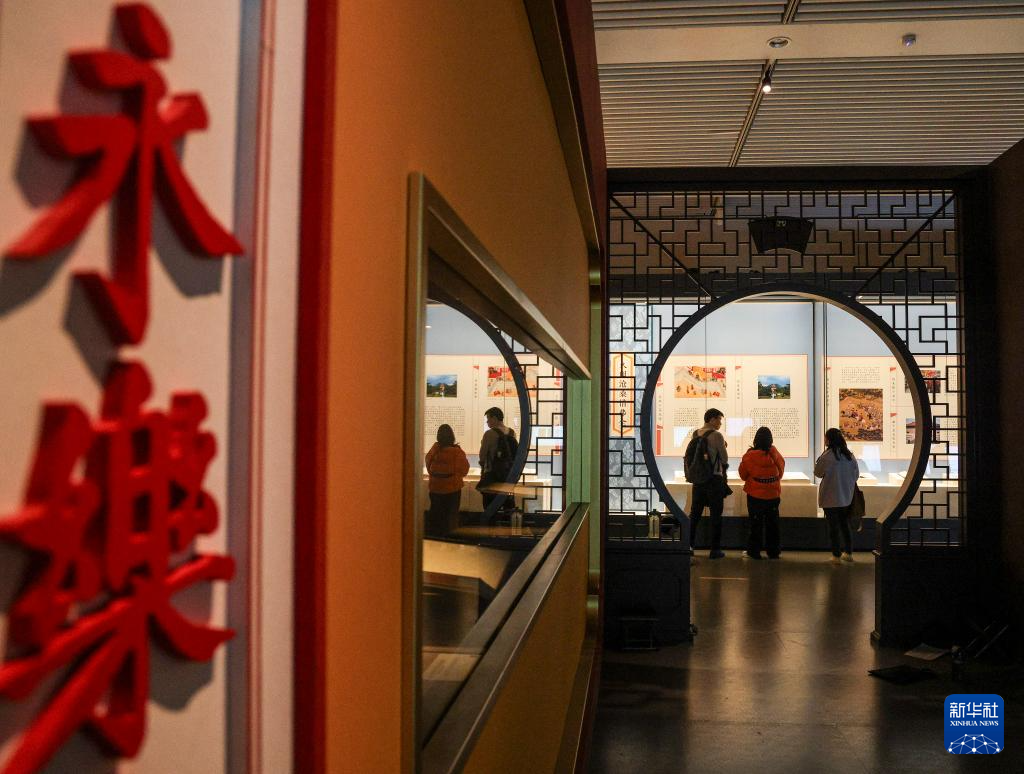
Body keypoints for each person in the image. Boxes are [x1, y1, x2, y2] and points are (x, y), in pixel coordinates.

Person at [685, 407, 729, 559]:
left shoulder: (695, 433)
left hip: (698, 479)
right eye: (719, 420)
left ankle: (689, 546)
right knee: (716, 515)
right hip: (714, 479)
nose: (720, 423)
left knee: (695, 514)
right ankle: (715, 550)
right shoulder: (717, 435)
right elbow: (724, 458)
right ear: (712, 419)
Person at [738, 426, 785, 560]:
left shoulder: (749, 456)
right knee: (773, 524)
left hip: (755, 495)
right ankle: (773, 552)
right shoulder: (775, 453)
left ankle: (754, 552)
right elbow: (781, 472)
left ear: (756, 439)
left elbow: (743, 475)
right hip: (773, 494)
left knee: (755, 524)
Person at [814, 427, 860, 563]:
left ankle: (836, 555)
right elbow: (856, 475)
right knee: (845, 525)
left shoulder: (827, 456)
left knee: (833, 527)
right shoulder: (849, 456)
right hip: (846, 497)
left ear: (829, 439)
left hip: (830, 497)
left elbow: (818, 473)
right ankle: (848, 553)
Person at [425, 424, 469, 536]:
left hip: (435, 488)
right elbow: (464, 470)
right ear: (452, 436)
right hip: (452, 489)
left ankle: (435, 537)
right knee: (451, 516)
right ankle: (450, 538)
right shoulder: (457, 452)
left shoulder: (434, 450)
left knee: (436, 515)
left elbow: (428, 465)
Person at [478, 406, 518, 515]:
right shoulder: (512, 433)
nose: (487, 422)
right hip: (508, 475)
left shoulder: (489, 434)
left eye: (488, 419)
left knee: (490, 507)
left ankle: (491, 524)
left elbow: (482, 456)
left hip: (492, 476)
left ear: (495, 418)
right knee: (507, 507)